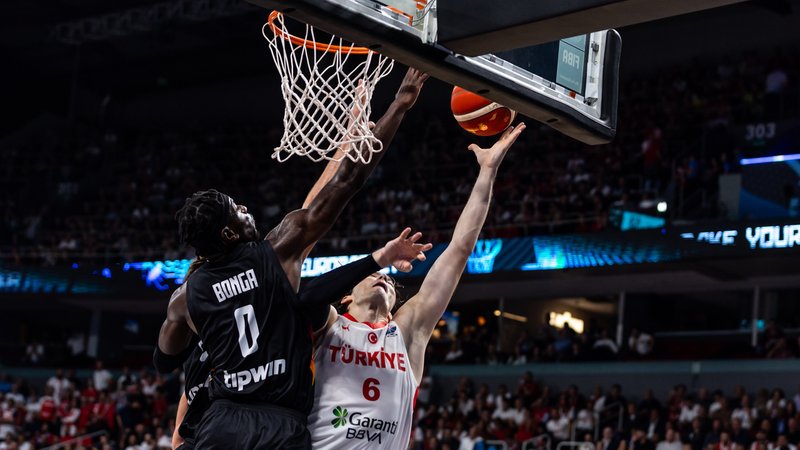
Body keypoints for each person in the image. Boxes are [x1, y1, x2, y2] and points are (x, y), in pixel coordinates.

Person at [154, 68, 428, 449]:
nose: (245, 209)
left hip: (222, 422)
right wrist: (399, 105)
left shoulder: (185, 298)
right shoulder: (274, 254)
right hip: (279, 422)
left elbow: (164, 361)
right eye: (237, 210)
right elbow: (345, 184)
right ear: (229, 234)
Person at [306, 123, 527, 449]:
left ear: (394, 306)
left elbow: (459, 251)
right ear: (347, 297)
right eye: (375, 275)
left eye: (390, 280)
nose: (384, 277)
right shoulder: (330, 325)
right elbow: (306, 262)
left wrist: (487, 172)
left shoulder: (406, 333)